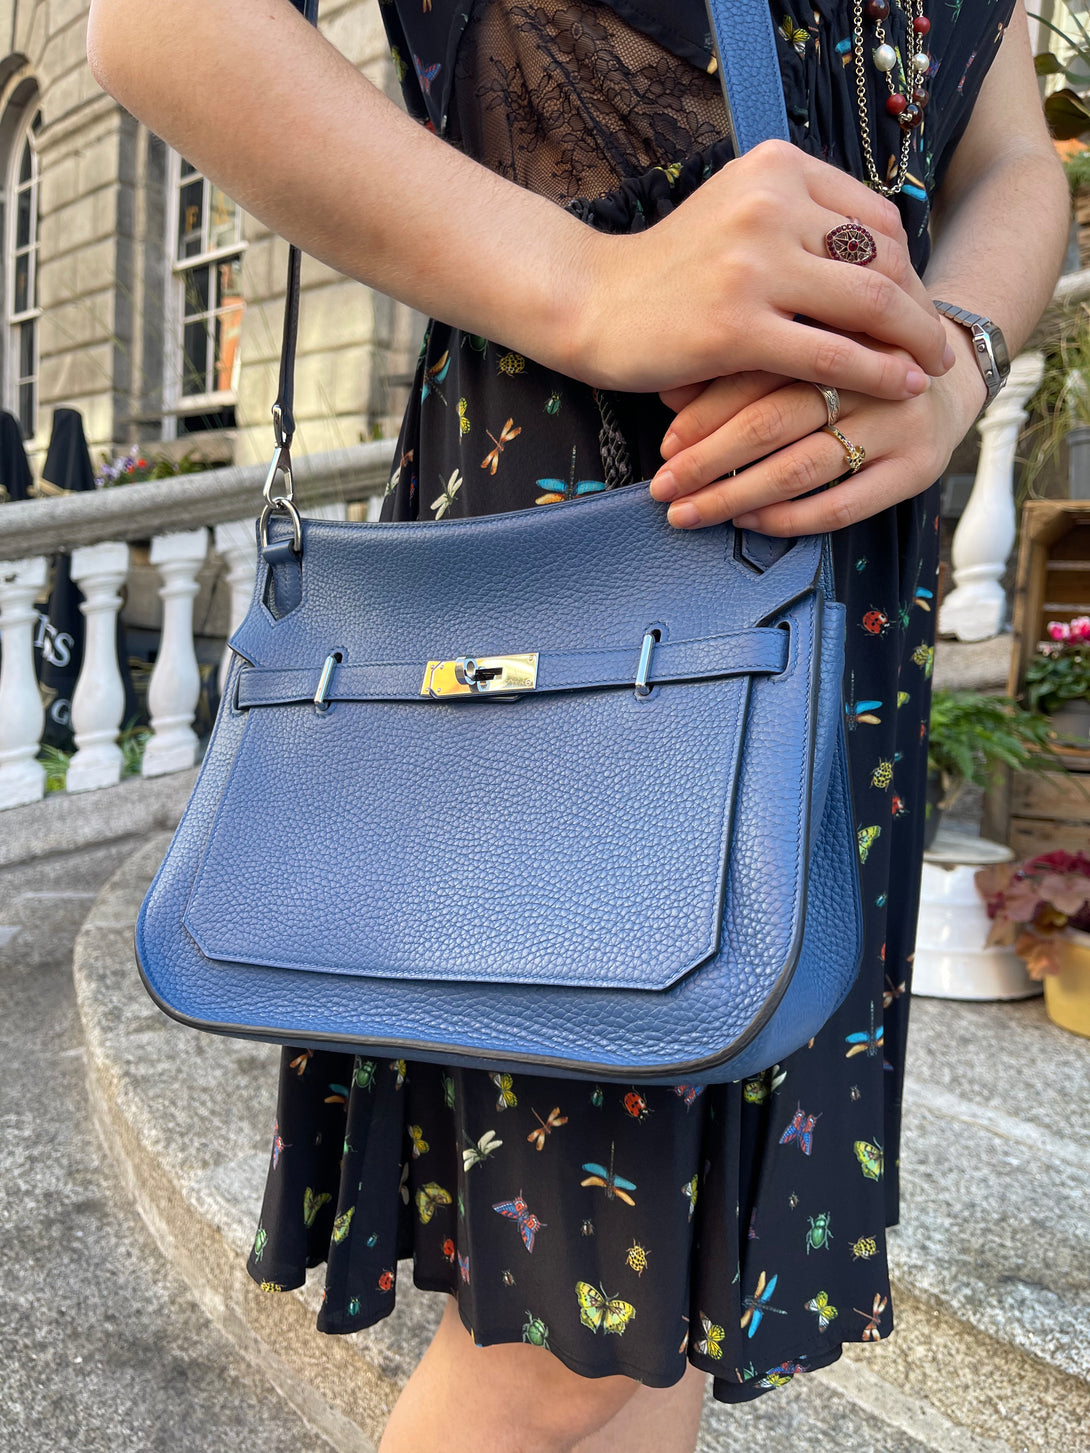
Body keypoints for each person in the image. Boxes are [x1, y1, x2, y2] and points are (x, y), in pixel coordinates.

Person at [87, 2, 1068, 1449]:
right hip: (581, 566)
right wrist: (588, 286)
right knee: (568, 1346)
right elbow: (157, 23)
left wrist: (956, 360)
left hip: (828, 584)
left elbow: (1013, 159)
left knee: (664, 1317)